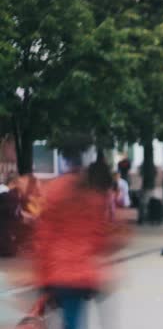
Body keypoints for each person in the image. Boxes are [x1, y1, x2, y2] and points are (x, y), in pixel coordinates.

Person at [33, 140, 127, 329]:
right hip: (86, 272)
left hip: (59, 271)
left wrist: (41, 276)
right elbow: (101, 235)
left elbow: (44, 236)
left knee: (69, 320)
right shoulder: (92, 192)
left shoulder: (53, 190)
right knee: (77, 317)